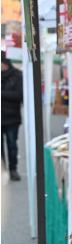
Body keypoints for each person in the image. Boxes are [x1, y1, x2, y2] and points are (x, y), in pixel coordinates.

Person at [1, 51, 23, 181]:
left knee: (12, 145)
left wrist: (2, 94)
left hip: (12, 117)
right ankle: (2, 171)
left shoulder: (17, 75)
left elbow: (19, 95)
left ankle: (13, 169)